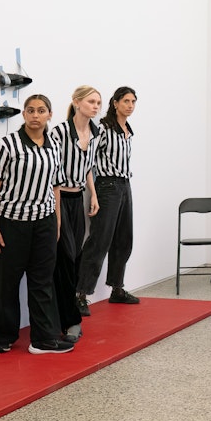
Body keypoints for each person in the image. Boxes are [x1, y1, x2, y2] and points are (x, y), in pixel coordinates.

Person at [0, 94, 74, 355]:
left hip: (44, 224)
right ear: (24, 114)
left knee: (42, 282)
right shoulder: (7, 146)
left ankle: (43, 339)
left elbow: (56, 188)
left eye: (41, 110)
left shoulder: (54, 146)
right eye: (31, 110)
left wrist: (57, 223)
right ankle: (4, 337)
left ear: (50, 115)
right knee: (7, 284)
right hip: (11, 224)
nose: (36, 115)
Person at [76, 86, 140, 305]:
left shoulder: (128, 130)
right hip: (107, 186)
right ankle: (81, 294)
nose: (130, 106)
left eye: (133, 102)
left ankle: (117, 288)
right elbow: (88, 161)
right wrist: (93, 194)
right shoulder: (103, 128)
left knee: (124, 239)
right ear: (115, 103)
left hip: (125, 185)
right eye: (126, 101)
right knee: (99, 240)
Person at [50, 86, 101, 335]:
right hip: (58, 198)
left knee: (76, 255)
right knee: (65, 258)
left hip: (78, 198)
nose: (96, 106)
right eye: (91, 101)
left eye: (98, 103)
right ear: (77, 102)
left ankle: (68, 314)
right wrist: (56, 210)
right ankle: (68, 319)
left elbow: (88, 166)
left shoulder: (96, 133)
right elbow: (52, 168)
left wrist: (93, 194)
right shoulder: (59, 132)